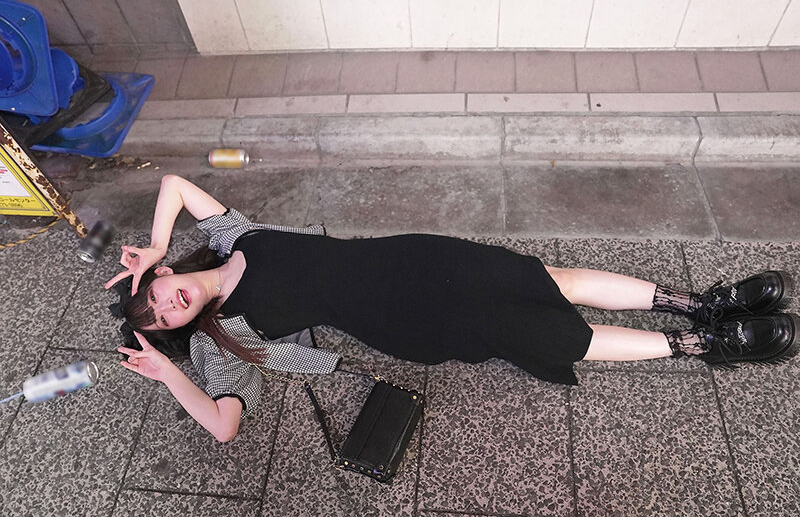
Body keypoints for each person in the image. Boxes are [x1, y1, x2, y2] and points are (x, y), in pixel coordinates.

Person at [107, 175, 798, 442]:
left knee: (551, 279)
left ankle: (700, 304)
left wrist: (156, 241)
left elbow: (173, 185)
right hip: (412, 322)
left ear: (163, 274)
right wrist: (170, 373)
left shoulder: (234, 236)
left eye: (156, 296)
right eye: (163, 320)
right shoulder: (225, 333)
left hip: (417, 258)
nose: (168, 307)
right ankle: (707, 346)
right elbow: (224, 425)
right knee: (550, 334)